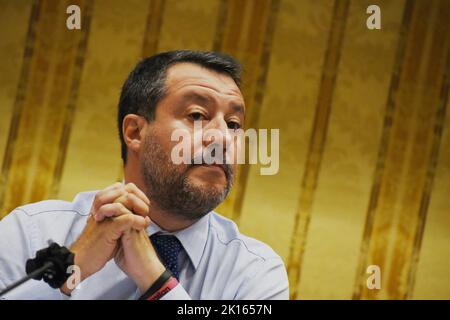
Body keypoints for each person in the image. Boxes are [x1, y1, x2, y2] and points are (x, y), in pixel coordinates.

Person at [0, 50, 289, 300]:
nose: (223, 138)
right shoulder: (32, 233)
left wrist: (156, 280)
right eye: (197, 116)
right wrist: (71, 269)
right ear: (135, 132)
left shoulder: (255, 273)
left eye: (234, 124)